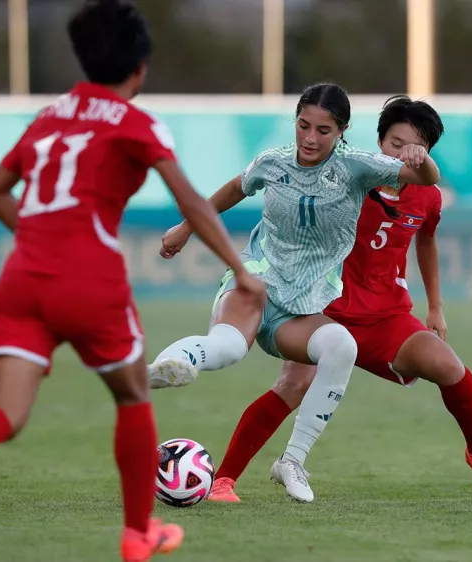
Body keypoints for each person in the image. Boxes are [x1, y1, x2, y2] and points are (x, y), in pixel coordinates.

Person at [0, 2, 264, 561]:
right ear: (139, 69)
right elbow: (188, 199)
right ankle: (138, 534)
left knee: (6, 412)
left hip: (23, 279)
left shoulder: (48, 117)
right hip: (89, 281)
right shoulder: (137, 122)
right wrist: (240, 271)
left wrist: (36, 239)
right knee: (133, 395)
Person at [205, 95, 472, 504]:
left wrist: (435, 305)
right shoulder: (346, 178)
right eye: (395, 144)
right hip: (323, 309)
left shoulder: (427, 196)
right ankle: (223, 481)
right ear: (378, 143)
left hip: (387, 317)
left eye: (414, 147)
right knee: (293, 384)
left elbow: (427, 240)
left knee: (449, 366)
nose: (403, 154)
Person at [146, 84, 442, 499]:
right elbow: (234, 188)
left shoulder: (359, 167)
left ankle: (293, 461)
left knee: (341, 345)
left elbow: (428, 179)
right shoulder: (273, 162)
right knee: (229, 346)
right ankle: (171, 364)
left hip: (301, 307)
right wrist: (185, 228)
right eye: (303, 125)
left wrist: (420, 159)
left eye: (323, 130)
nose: (309, 138)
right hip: (255, 281)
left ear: (342, 131)